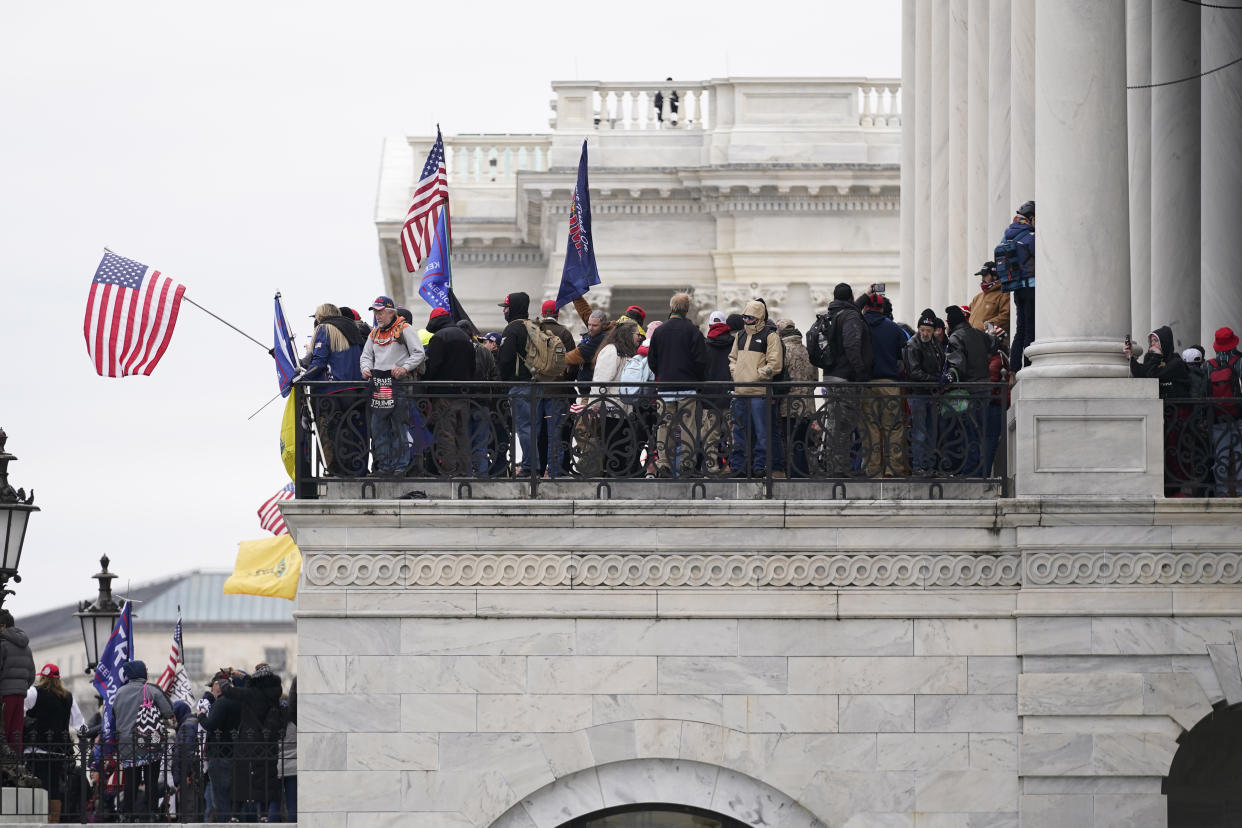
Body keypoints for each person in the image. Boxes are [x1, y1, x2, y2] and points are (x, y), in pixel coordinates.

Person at [359, 296, 426, 476]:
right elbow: (365, 356)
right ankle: (384, 466)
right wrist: (366, 368)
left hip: (399, 385)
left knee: (398, 426)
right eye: (375, 312)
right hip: (379, 385)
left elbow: (419, 353)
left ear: (391, 312)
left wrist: (404, 368)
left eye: (380, 312)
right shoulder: (374, 333)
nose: (377, 316)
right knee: (378, 426)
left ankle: (400, 466)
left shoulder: (405, 329)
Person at [303, 303, 368, 476]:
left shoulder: (324, 329)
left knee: (333, 433)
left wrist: (301, 379)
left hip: (333, 390)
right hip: (359, 389)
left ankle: (337, 471)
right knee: (356, 432)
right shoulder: (352, 328)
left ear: (320, 316)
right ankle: (358, 470)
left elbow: (319, 362)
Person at [647, 293, 708, 477]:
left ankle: (663, 462)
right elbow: (701, 361)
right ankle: (686, 463)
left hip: (665, 387)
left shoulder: (659, 331)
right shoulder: (692, 331)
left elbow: (652, 360)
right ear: (687, 309)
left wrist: (663, 374)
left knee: (664, 425)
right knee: (688, 426)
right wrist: (696, 379)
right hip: (687, 386)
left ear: (671, 307)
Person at [1127, 326, 1192, 495]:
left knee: (1175, 452)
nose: (1152, 344)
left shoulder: (1176, 362)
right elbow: (1142, 374)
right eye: (1151, 341)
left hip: (1176, 416)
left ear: (1165, 342)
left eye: (1156, 341)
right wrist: (1131, 358)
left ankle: (1179, 489)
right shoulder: (1153, 359)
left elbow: (1154, 376)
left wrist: (1153, 358)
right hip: (1159, 416)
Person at [818, 283, 873, 476]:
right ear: (850, 298)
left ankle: (831, 464)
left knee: (834, 421)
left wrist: (865, 296)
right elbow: (851, 345)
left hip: (830, 375)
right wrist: (861, 374)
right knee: (844, 425)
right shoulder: (850, 317)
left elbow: (849, 310)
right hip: (845, 378)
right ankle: (838, 468)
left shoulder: (833, 314)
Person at [109, 660, 174, 821]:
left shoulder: (119, 692)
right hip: (149, 741)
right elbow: (168, 712)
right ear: (141, 672)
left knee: (131, 780)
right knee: (151, 779)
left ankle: (128, 814)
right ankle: (151, 813)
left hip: (126, 744)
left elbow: (113, 716)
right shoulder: (152, 690)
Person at [221, 664, 284, 823]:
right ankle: (263, 814)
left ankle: (235, 815)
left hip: (248, 744)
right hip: (268, 744)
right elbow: (253, 683)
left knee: (241, 779)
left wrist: (224, 680)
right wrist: (241, 676)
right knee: (264, 780)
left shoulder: (252, 694)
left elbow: (228, 691)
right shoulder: (274, 694)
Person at [580, 321, 643, 477]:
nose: (639, 338)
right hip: (610, 410)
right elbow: (601, 381)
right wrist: (595, 404)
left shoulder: (626, 352)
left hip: (623, 409)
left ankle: (619, 478)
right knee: (613, 446)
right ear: (628, 335)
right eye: (637, 334)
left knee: (621, 447)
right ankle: (611, 480)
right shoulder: (611, 351)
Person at [728, 300, 783, 476]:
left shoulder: (770, 336)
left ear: (758, 317)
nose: (745, 319)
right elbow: (732, 358)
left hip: (759, 393)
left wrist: (756, 375)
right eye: (744, 316)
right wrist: (736, 373)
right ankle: (739, 467)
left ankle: (760, 467)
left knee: (762, 433)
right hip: (740, 391)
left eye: (749, 317)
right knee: (739, 433)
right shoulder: (740, 335)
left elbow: (775, 364)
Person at [23, 664, 83, 823]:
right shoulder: (68, 697)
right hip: (58, 751)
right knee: (54, 788)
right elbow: (79, 725)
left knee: (35, 787)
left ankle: (38, 820)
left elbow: (20, 712)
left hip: (35, 750)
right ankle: (53, 821)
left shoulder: (33, 692)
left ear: (42, 677)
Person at [423, 307, 479, 476]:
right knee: (462, 434)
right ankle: (463, 472)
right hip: (463, 394)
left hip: (443, 395)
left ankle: (450, 472)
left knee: (445, 434)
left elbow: (432, 367)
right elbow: (472, 367)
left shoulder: (439, 337)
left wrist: (426, 386)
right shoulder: (465, 337)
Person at [861, 291, 909, 476]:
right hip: (889, 383)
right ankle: (893, 468)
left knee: (870, 426)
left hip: (866, 384)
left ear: (866, 308)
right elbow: (903, 353)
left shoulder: (861, 326)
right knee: (893, 427)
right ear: (881, 309)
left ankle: (874, 469)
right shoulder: (893, 328)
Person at [943, 305, 992, 476]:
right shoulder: (978, 334)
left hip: (969, 391)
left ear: (951, 322)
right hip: (985, 388)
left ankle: (971, 471)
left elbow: (957, 364)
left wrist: (949, 376)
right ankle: (982, 471)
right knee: (981, 432)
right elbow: (993, 345)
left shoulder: (956, 337)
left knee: (969, 433)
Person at [497, 292, 537, 475]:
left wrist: (502, 381)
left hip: (519, 384)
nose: (504, 311)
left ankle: (529, 466)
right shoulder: (533, 326)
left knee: (524, 427)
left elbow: (505, 359)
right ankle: (535, 463)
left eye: (506, 307)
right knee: (533, 426)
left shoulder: (512, 329)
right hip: (535, 382)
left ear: (512, 308)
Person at [536, 300, 577, 478]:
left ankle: (535, 469)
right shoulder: (564, 333)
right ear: (557, 314)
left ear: (542, 312)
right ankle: (555, 471)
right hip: (558, 391)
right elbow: (573, 364)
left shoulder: (533, 331)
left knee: (536, 432)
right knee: (555, 433)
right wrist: (567, 380)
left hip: (535, 391)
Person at [774, 319, 818, 477]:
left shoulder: (782, 350)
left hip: (789, 405)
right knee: (803, 441)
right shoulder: (806, 350)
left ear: (780, 332)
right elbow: (815, 380)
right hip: (807, 405)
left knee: (790, 441)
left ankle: (794, 475)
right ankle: (804, 473)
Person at [903, 311, 946, 474]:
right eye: (922, 329)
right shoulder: (913, 344)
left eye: (928, 330)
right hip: (919, 393)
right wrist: (934, 379)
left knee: (931, 431)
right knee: (920, 431)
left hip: (931, 393)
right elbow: (914, 372)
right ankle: (919, 466)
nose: (925, 333)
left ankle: (929, 465)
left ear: (933, 330)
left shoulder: (934, 343)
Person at [1206, 327, 1242, 496]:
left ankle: (1222, 492)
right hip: (1239, 416)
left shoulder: (1209, 365)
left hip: (1218, 417)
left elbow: (1203, 392)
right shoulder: (1240, 362)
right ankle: (1241, 491)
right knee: (1240, 453)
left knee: (1221, 456)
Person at [1000, 200, 1036, 371]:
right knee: (1030, 329)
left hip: (1016, 288)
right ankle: (1029, 367)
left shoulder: (1007, 235)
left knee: (1020, 329)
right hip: (1031, 287)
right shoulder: (1030, 236)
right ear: (1031, 218)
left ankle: (1014, 369)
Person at [701, 311, 736, 474]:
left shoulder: (705, 345)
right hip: (730, 394)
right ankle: (735, 465)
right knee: (733, 433)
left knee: (711, 434)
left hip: (710, 396)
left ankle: (711, 466)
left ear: (709, 326)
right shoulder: (734, 343)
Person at [204, 669, 241, 823]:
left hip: (220, 754)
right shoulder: (239, 702)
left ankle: (224, 822)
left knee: (220, 797)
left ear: (218, 686)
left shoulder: (221, 703)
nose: (211, 689)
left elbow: (211, 725)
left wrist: (200, 716)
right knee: (234, 795)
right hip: (235, 751)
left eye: (213, 685)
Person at [0, 610, 34, 756]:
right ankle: (16, 765)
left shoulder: (3, 645)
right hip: (20, 694)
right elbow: (31, 675)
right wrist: (21, 687)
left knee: (3, 732)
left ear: (2, 626)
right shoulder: (26, 647)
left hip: (4, 695)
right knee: (16, 733)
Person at [968, 261, 1010, 335]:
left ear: (995, 276)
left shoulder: (1004, 294)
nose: (982, 279)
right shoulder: (977, 297)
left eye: (985, 275)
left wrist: (989, 327)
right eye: (982, 276)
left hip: (990, 341)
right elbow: (968, 313)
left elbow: (1006, 316)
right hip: (973, 340)